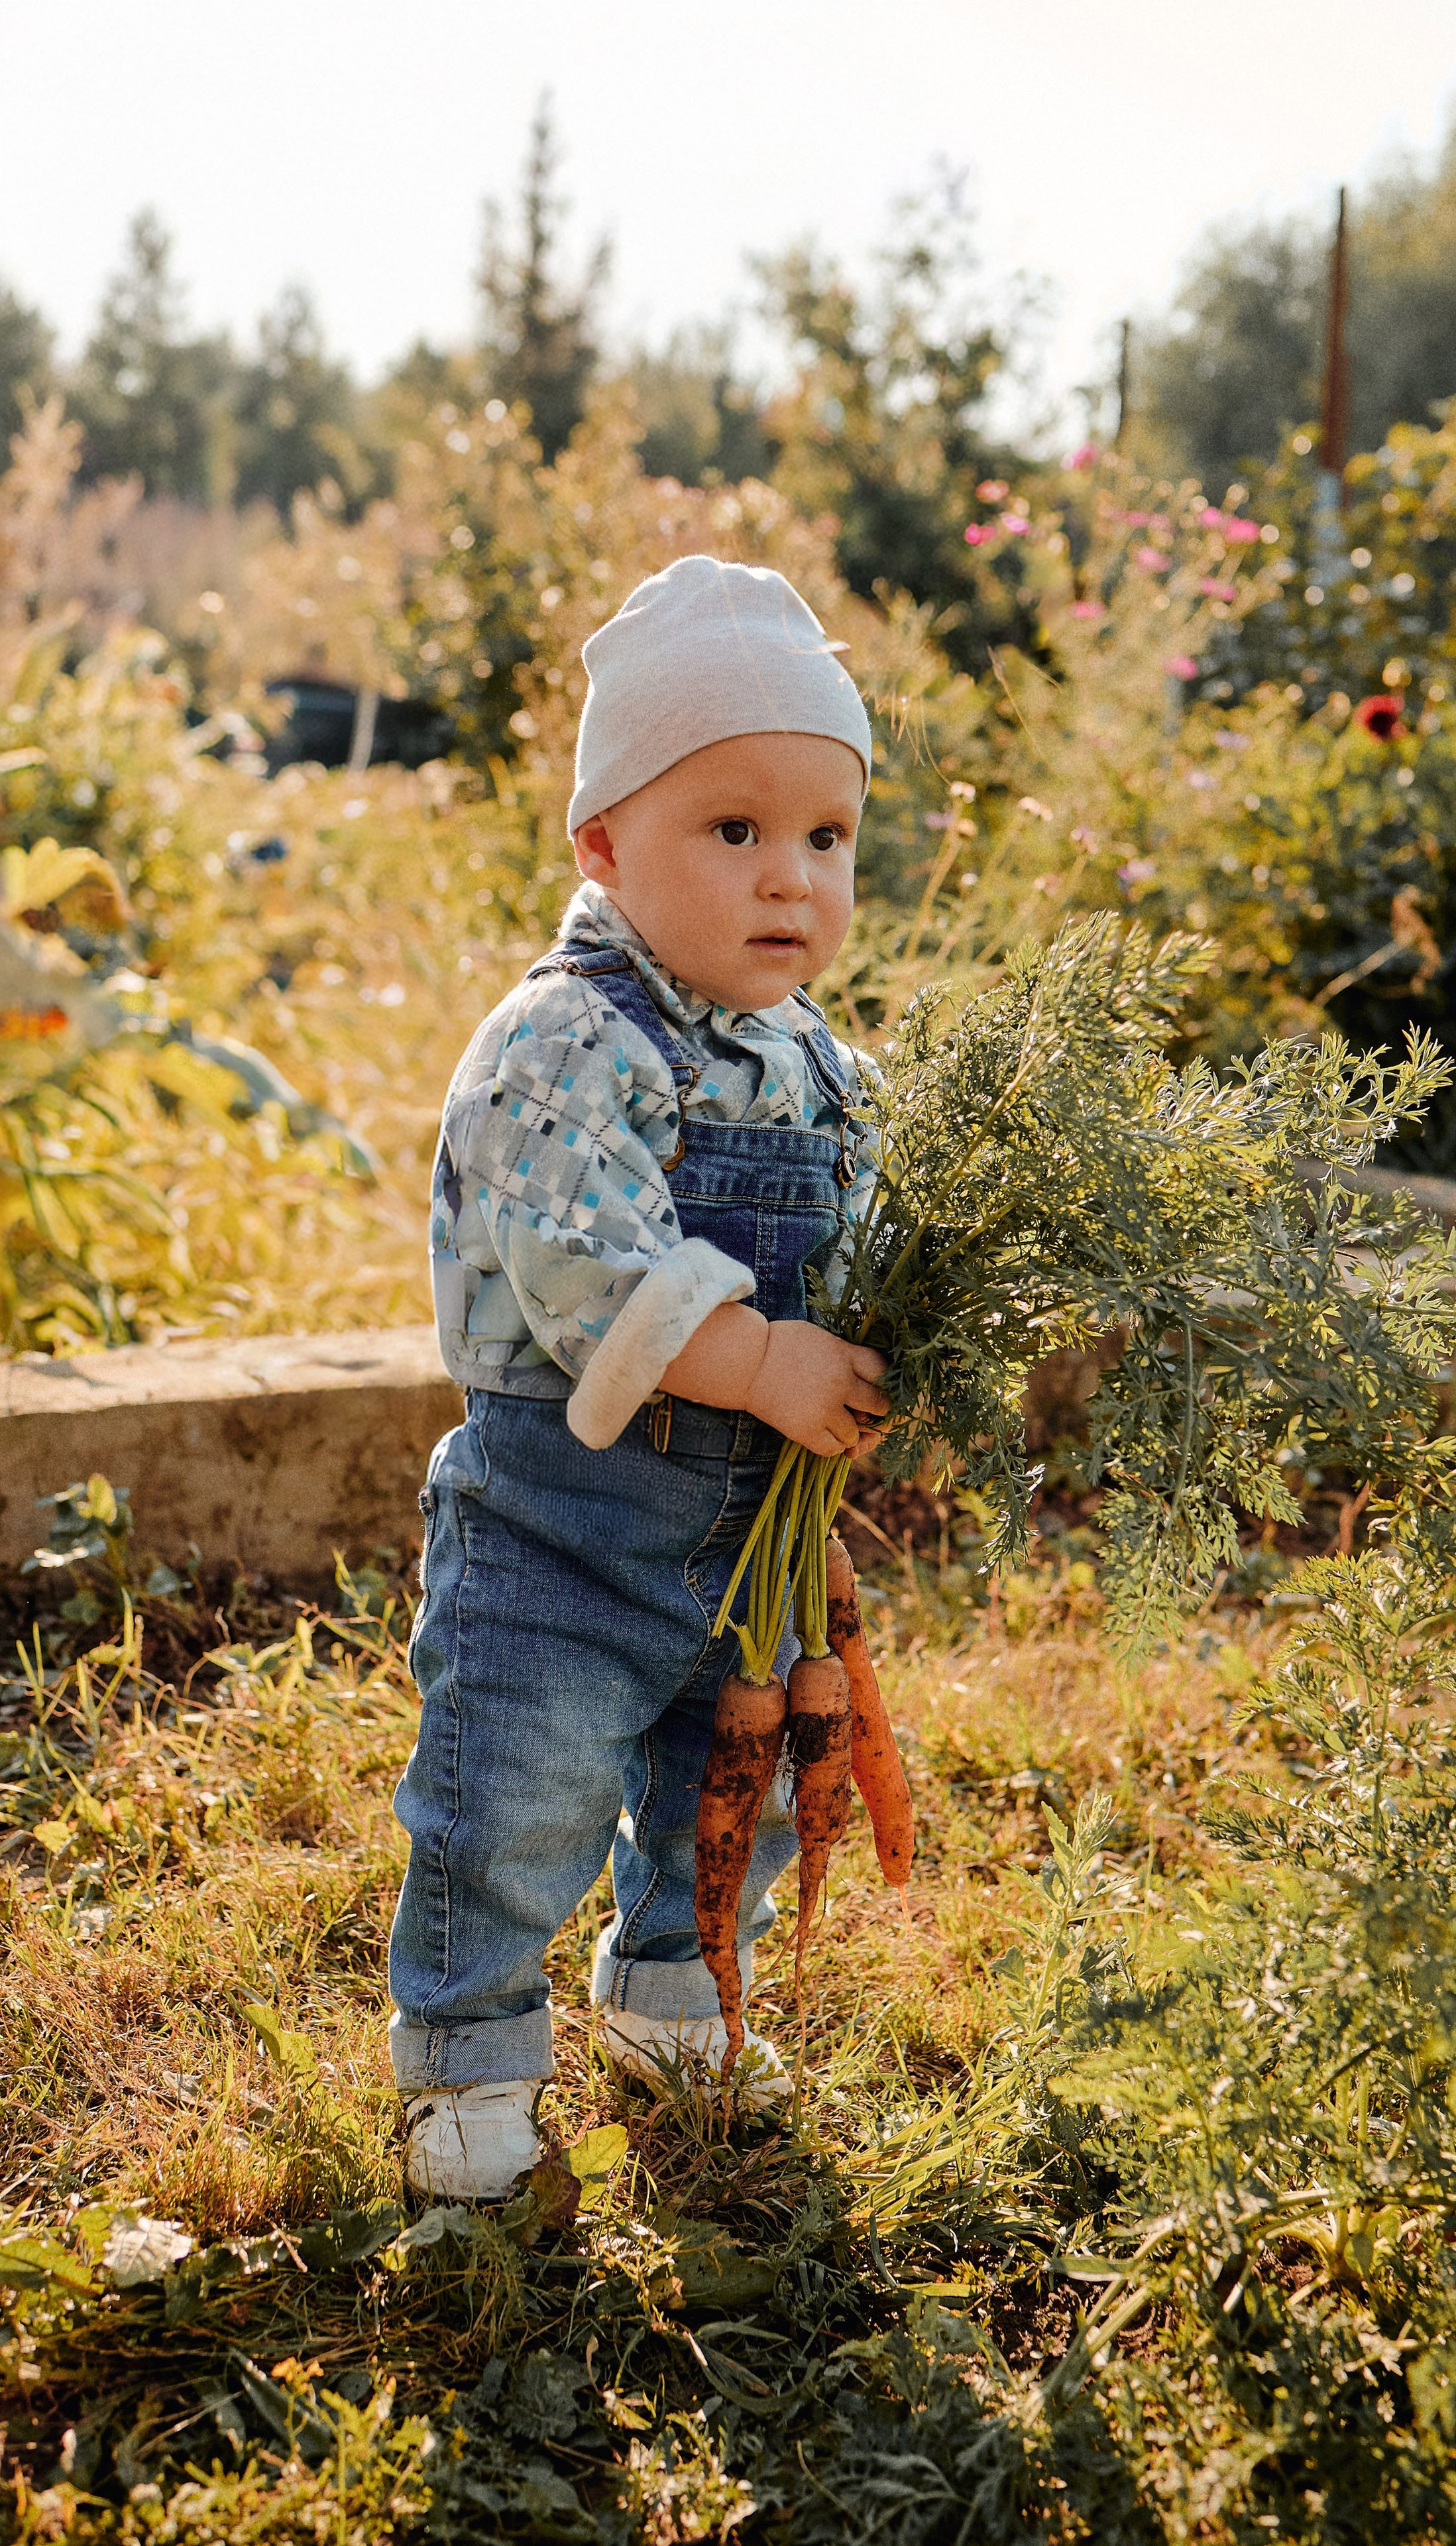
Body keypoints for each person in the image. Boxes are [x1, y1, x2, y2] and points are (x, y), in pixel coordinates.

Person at [389, 555, 890, 2200]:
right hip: (564, 1524)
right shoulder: (564, 1040)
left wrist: (895, 1340)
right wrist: (754, 1354)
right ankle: (465, 2062)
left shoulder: (820, 1060)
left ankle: (676, 1986)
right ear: (602, 846)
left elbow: (871, 1242)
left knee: (710, 1776)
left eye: (823, 836)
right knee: (512, 1795)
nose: (788, 881)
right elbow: (580, 1255)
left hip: (743, 1536)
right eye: (731, 830)